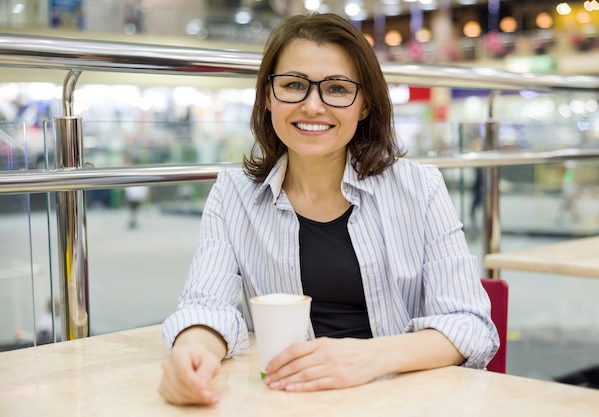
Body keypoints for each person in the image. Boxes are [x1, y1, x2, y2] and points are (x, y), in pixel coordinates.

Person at [158, 13, 499, 406]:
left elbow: (471, 326)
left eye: (336, 89)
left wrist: (369, 357)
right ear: (268, 97)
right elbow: (206, 307)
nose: (313, 106)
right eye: (293, 85)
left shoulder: (419, 187)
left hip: (406, 401)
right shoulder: (233, 193)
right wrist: (191, 351)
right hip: (288, 401)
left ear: (365, 104)